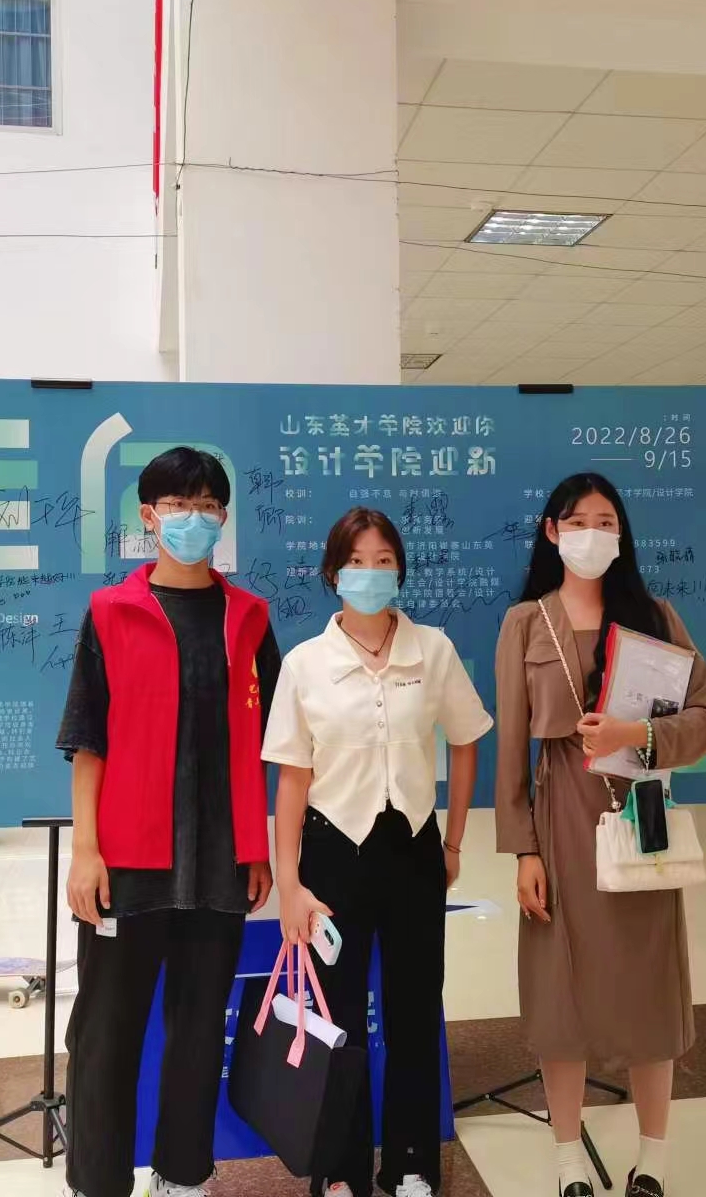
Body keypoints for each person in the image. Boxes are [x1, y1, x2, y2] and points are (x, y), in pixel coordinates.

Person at [56, 447, 281, 1197]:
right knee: (106, 1033)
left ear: (223, 517)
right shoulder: (111, 613)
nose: (194, 518)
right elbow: (89, 741)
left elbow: (272, 742)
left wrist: (257, 847)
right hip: (127, 863)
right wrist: (86, 852)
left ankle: (183, 1178)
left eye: (207, 505)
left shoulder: (249, 619)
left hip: (220, 862)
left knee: (199, 1031)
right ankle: (97, 1184)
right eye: (178, 505)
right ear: (149, 516)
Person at [494, 473, 706, 1197]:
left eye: (605, 521)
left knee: (648, 984)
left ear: (621, 534)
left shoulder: (655, 617)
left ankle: (653, 1157)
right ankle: (568, 1157)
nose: (592, 534)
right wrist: (524, 850)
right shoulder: (525, 622)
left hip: (640, 810)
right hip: (561, 814)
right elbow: (511, 751)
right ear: (552, 532)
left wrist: (639, 735)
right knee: (561, 990)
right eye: (577, 521)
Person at [265, 508, 493, 1197]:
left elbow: (466, 739)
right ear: (333, 573)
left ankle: (411, 1165)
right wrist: (288, 884)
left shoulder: (433, 651)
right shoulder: (305, 664)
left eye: (384, 560)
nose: (371, 573)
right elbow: (292, 779)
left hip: (414, 850)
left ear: (400, 570)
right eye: (357, 561)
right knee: (337, 1019)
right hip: (332, 854)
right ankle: (339, 1172)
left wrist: (453, 840)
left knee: (415, 1012)